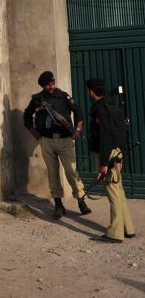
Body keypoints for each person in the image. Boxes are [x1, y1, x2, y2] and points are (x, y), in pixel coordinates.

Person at [23, 70, 91, 218]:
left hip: (65, 140)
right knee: (53, 173)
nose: (51, 86)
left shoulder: (63, 96)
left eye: (53, 83)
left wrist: (78, 130)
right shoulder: (37, 99)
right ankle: (59, 205)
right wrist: (33, 132)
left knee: (70, 171)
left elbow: (78, 112)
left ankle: (81, 200)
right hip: (47, 141)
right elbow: (27, 115)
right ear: (43, 86)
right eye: (48, 85)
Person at [85, 78, 136, 243]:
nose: (88, 93)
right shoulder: (115, 108)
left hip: (108, 155)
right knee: (119, 192)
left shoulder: (101, 110)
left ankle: (115, 233)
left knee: (113, 194)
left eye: (89, 90)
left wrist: (104, 164)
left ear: (92, 92)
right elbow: (123, 134)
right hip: (117, 154)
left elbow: (105, 137)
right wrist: (121, 156)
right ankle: (128, 229)